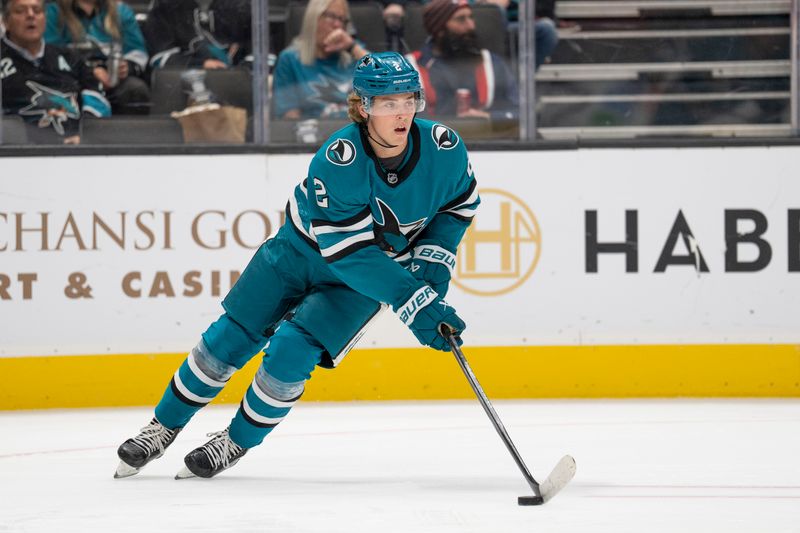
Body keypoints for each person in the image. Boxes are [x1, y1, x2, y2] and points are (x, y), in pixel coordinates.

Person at [114, 51, 480, 480]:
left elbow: (459, 206)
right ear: (364, 107)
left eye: (408, 100)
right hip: (300, 254)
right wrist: (410, 297)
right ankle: (163, 426)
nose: (401, 114)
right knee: (228, 341)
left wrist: (434, 261)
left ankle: (235, 441)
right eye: (387, 103)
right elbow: (348, 252)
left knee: (290, 354)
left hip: (358, 283)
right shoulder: (338, 158)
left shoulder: (444, 147)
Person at [1, 0, 110, 144]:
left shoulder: (69, 57)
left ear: (45, 19)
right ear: (5, 21)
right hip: (19, 155)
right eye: (20, 11)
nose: (31, 15)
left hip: (77, 149)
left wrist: (85, 135)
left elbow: (98, 98)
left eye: (37, 10)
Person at [406, 0, 518, 122]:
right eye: (461, 20)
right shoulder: (409, 68)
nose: (471, 26)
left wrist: (488, 117)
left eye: (471, 18)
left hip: (487, 137)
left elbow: (521, 112)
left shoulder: (492, 64)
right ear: (439, 29)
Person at [44, 0, 151, 114]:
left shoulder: (121, 11)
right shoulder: (52, 12)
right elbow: (50, 54)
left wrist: (127, 67)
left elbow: (137, 52)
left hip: (111, 80)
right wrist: (90, 72)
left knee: (135, 89)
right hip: (72, 79)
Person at [272, 0, 369, 120]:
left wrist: (352, 47)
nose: (338, 25)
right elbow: (289, 117)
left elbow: (388, 82)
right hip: (315, 134)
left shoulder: (355, 53)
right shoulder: (290, 59)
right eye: (331, 17)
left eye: (342, 20)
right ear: (314, 18)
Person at [142, 0, 252, 70]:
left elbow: (260, 54)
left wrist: (244, 70)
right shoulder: (164, 6)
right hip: (185, 85)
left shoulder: (241, 5)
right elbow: (160, 59)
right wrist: (201, 64)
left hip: (236, 83)